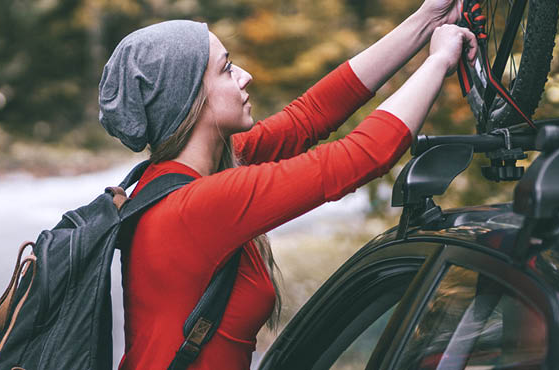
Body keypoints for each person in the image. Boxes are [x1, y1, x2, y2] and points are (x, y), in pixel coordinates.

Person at [97, 0, 478, 368]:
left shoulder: (188, 173)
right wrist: (438, 60)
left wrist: (426, 19)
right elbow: (361, 156)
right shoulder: (196, 205)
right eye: (226, 68)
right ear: (191, 99)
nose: (245, 75)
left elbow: (310, 116)